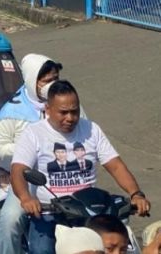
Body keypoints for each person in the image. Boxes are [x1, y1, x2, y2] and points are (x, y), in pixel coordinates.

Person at [11, 80, 151, 254]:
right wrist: (26, 198)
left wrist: (136, 194)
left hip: (91, 211)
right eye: (63, 112)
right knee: (42, 250)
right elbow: (18, 170)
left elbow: (115, 166)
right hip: (52, 212)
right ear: (48, 109)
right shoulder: (33, 133)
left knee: (123, 246)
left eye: (74, 111)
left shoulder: (92, 129)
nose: (70, 118)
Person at [0, 54, 64, 254]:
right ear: (33, 80)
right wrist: (29, 149)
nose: (52, 85)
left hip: (65, 175)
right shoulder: (13, 111)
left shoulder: (65, 101)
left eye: (55, 79)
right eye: (47, 81)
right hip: (27, 180)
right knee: (9, 222)